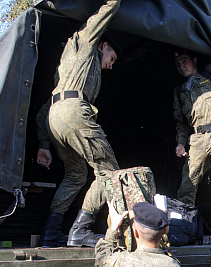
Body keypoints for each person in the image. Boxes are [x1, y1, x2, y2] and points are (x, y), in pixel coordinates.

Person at [35, 0, 123, 248]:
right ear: (103, 45)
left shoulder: (69, 67)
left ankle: (51, 232)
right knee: (109, 173)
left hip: (55, 116)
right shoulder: (86, 44)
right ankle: (81, 230)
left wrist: (44, 144)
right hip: (74, 112)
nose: (111, 64)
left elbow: (45, 109)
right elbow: (106, 12)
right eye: (112, 57)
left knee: (76, 175)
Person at [172, 26, 211, 245]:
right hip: (197, 138)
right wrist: (180, 144)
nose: (182, 66)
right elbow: (181, 123)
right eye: (178, 63)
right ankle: (184, 228)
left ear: (194, 60)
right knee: (186, 187)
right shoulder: (180, 92)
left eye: (185, 61)